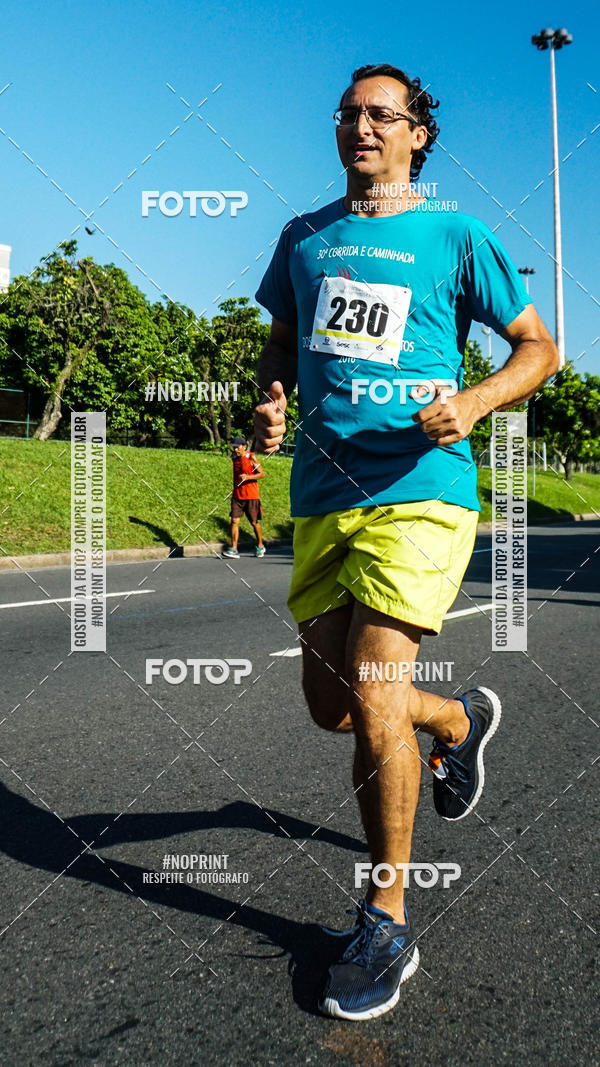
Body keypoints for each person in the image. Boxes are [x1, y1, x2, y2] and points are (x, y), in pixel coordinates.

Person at [253, 62, 558, 1021]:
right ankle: (457, 719)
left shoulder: (457, 235)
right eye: (348, 113)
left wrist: (471, 401)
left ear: (417, 133)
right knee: (335, 708)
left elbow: (540, 348)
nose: (362, 127)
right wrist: (269, 402)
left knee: (377, 683)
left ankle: (384, 913)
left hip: (423, 490)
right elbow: (281, 342)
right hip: (324, 496)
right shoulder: (303, 239)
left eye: (382, 114)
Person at [222, 435, 266, 558]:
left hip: (251, 495)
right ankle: (234, 549)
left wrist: (248, 477)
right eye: (234, 447)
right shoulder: (234, 458)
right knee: (234, 521)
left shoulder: (252, 457)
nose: (235, 449)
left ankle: (260, 546)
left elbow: (262, 474)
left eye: (237, 447)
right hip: (237, 496)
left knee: (253, 522)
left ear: (244, 446)